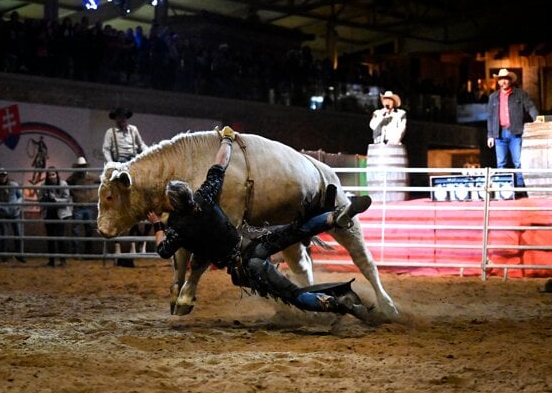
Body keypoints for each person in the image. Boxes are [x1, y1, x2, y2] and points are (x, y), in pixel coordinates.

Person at [147, 126, 373, 319]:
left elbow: (164, 250)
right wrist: (227, 138)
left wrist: (157, 224)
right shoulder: (204, 196)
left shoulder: (180, 227)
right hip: (253, 242)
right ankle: (333, 218)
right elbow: (219, 165)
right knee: (295, 229)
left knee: (293, 295)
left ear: (174, 204)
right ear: (189, 193)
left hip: (246, 265)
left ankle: (335, 304)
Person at [102, 107, 148, 267]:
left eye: (123, 117)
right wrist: (112, 165)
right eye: (118, 117)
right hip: (119, 165)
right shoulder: (110, 133)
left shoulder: (133, 130)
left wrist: (149, 155)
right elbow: (106, 150)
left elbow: (141, 146)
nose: (121, 120)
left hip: (133, 164)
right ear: (115, 119)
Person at [486, 69, 538, 189]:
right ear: (498, 82)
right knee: (501, 163)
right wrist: (490, 135)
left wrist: (537, 119)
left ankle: (520, 188)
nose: (503, 81)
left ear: (510, 81)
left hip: (515, 133)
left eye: (505, 79)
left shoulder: (520, 94)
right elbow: (489, 116)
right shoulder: (493, 97)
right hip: (499, 134)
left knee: (518, 163)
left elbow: (530, 107)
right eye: (501, 79)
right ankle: (503, 189)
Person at [0, 168, 25, 263]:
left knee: (18, 234)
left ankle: (19, 255)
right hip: (3, 213)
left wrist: (16, 205)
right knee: (4, 234)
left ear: (7, 175)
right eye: (1, 176)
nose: (2, 177)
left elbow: (21, 196)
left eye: (4, 175)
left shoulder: (13, 185)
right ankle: (4, 256)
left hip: (14, 212)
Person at [38, 167, 72, 267]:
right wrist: (45, 198)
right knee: (50, 238)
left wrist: (55, 199)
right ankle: (51, 260)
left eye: (53, 174)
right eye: (50, 175)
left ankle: (62, 260)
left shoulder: (63, 184)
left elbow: (66, 200)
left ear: (57, 174)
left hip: (60, 214)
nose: (52, 176)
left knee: (60, 237)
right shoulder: (43, 185)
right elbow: (39, 198)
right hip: (49, 213)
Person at [66, 156, 99, 255]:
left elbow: (102, 180)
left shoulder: (91, 177)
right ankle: (77, 251)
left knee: (88, 229)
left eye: (83, 166)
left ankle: (86, 251)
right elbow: (66, 185)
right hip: (79, 206)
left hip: (87, 206)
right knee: (77, 229)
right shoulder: (73, 178)